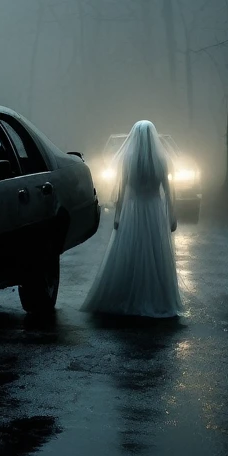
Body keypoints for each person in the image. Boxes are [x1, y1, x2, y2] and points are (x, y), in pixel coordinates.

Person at [82, 120, 182, 319]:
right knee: (154, 253)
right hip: (153, 211)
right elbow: (168, 191)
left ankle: (126, 294)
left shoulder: (128, 160)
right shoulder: (162, 161)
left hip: (133, 211)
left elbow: (121, 191)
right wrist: (171, 215)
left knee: (131, 251)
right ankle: (155, 297)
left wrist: (118, 216)